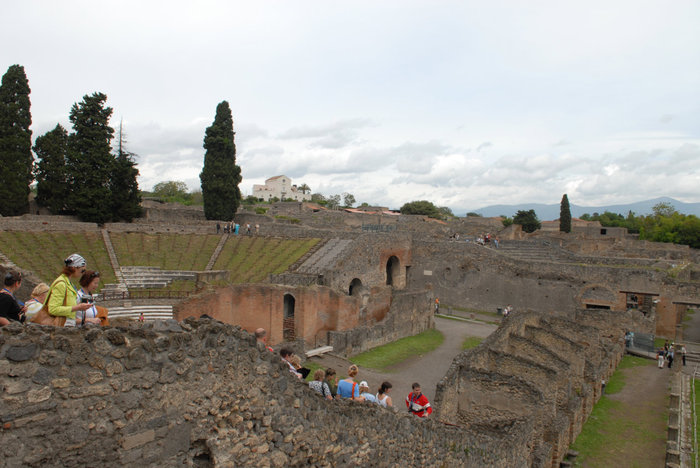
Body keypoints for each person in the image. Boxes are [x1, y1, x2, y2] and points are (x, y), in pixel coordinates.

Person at [37, 254, 93, 327]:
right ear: (74, 268)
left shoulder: (67, 283)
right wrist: (77, 307)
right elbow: (53, 309)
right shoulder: (61, 284)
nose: (83, 273)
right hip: (62, 325)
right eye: (82, 270)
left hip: (68, 324)